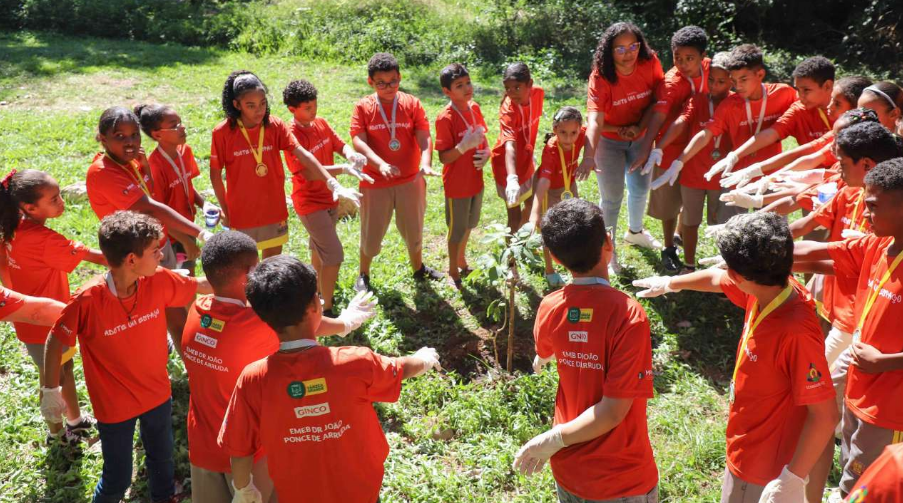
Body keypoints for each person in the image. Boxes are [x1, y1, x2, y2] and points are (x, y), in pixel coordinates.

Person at [634, 212, 838, 502]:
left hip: (763, 466)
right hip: (750, 439)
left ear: (740, 276)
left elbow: (826, 415)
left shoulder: (795, 332)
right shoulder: (769, 288)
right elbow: (716, 279)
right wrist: (671, 283)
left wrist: (791, 479)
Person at [217, 255, 441, 503]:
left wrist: (243, 489)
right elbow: (400, 368)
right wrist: (424, 358)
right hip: (360, 493)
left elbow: (239, 447)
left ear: (262, 315)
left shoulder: (252, 379)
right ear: (315, 304)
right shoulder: (354, 363)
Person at [181, 231, 377, 502]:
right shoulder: (252, 322)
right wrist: (347, 322)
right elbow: (300, 319)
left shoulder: (198, 309)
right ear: (247, 276)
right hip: (250, 454)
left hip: (202, 446)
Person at [41, 211, 213, 503]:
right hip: (114, 406)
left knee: (162, 459)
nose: (161, 255)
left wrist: (240, 282)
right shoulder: (88, 299)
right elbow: (55, 339)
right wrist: (50, 390)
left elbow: (199, 286)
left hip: (157, 394)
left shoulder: (157, 280)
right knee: (117, 479)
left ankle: (163, 498)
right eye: (155, 250)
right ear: (132, 259)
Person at [787, 121, 903, 503]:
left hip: (891, 409)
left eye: (873, 206)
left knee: (871, 489)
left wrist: (887, 361)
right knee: (851, 475)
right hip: (859, 391)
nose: (865, 214)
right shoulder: (878, 245)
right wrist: (761, 251)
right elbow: (819, 253)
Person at [515, 198, 658, 502]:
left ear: (554, 257)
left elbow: (546, 349)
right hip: (621, 479)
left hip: (569, 469)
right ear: (608, 242)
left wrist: (554, 440)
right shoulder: (628, 315)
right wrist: (554, 439)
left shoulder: (550, 306)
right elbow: (612, 412)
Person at [87, 106, 212, 341]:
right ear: (103, 139)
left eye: (134, 135)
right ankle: (192, 359)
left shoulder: (130, 162)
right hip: (134, 257)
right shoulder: (103, 171)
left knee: (174, 305)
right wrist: (201, 233)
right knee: (173, 314)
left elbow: (150, 193)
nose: (130, 142)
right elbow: (149, 206)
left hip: (154, 246)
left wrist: (144, 168)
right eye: (120, 136)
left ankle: (185, 352)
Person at [0, 169, 106, 444]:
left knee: (63, 370)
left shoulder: (13, 227)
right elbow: (97, 257)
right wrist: (133, 259)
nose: (62, 202)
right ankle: (57, 435)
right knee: (52, 379)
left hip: (33, 318)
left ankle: (74, 422)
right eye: (54, 199)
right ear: (30, 207)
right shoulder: (41, 239)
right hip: (43, 321)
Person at [210, 70, 361, 259]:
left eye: (263, 103)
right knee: (246, 266)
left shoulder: (275, 126)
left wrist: (332, 182)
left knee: (272, 264)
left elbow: (303, 154)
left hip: (273, 209)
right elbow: (215, 175)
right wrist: (226, 210)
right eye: (251, 105)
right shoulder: (222, 132)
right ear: (236, 104)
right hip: (241, 212)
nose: (259, 110)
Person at [349, 53, 443, 292]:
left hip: (410, 180)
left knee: (414, 230)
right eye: (381, 83)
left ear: (400, 77)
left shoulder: (412, 103)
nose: (389, 87)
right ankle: (363, 274)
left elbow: (424, 135)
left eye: (393, 81)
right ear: (371, 82)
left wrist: (426, 162)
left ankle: (418, 268)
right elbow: (358, 141)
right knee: (371, 235)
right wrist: (380, 164)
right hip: (375, 182)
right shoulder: (363, 107)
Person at [576, 22, 665, 273]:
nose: (628, 54)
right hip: (608, 141)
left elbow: (658, 100)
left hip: (641, 136)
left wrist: (639, 127)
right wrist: (589, 156)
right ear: (609, 51)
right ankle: (608, 250)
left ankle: (635, 232)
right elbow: (595, 120)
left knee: (640, 188)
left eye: (633, 46)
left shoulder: (650, 62)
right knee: (611, 198)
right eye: (620, 49)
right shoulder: (600, 76)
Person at [282, 78, 372, 315]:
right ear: (292, 109)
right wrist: (343, 169)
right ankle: (327, 309)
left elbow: (338, 144)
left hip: (329, 199)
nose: (314, 111)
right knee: (333, 255)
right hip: (309, 202)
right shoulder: (291, 136)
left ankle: (316, 294)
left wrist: (351, 155)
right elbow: (307, 172)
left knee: (319, 251)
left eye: (315, 105)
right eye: (307, 108)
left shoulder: (320, 123)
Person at [663, 44, 797, 192]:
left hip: (771, 175)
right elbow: (706, 134)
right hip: (736, 177)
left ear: (760, 74)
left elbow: (805, 110)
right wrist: (679, 162)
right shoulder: (729, 104)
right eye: (734, 81)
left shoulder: (784, 93)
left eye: (743, 80)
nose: (738, 87)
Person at [650, 51, 734, 273]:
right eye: (711, 80)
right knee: (689, 221)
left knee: (720, 223)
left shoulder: (736, 102)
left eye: (721, 82)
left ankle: (723, 267)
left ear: (732, 81)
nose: (714, 86)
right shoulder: (697, 100)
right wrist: (660, 147)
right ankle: (689, 265)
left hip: (720, 175)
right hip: (692, 174)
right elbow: (682, 121)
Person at [640, 25, 711, 272]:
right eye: (677, 57)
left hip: (700, 147)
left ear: (703, 56)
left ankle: (682, 234)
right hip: (669, 147)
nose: (682, 63)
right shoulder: (671, 82)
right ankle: (668, 246)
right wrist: (654, 148)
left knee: (691, 196)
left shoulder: (713, 70)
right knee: (668, 202)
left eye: (689, 58)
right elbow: (660, 114)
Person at [716, 56, 837, 189]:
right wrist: (735, 155)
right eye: (797, 90)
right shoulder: (799, 109)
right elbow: (771, 133)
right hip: (813, 181)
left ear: (827, 86)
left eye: (806, 90)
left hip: (844, 179)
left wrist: (763, 173)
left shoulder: (849, 109)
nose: (800, 95)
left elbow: (807, 151)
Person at [135, 103, 217, 273]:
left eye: (180, 122)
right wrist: (185, 241)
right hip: (171, 236)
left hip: (188, 227)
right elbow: (158, 213)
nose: (182, 127)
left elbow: (186, 183)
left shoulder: (185, 151)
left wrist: (204, 204)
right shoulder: (155, 167)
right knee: (177, 281)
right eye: (174, 126)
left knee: (190, 277)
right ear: (157, 134)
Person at [435, 63, 489, 288]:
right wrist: (462, 147)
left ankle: (461, 259)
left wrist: (487, 153)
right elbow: (444, 158)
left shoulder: (474, 107)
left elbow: (483, 135)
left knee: (470, 224)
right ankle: (452, 269)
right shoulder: (445, 118)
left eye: (468, 82)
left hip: (476, 179)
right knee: (456, 229)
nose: (467, 88)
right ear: (447, 91)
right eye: (459, 85)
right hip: (457, 184)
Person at [528, 107, 586, 287]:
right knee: (548, 228)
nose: (568, 138)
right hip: (549, 190)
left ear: (579, 129)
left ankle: (572, 263)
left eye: (573, 133)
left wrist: (589, 157)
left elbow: (594, 129)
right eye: (563, 133)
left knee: (573, 222)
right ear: (555, 129)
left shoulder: (581, 134)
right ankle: (549, 270)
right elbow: (544, 181)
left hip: (569, 185)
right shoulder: (551, 149)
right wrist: (535, 211)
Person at [490, 62, 544, 233]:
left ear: (530, 84)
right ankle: (512, 251)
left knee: (532, 206)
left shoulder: (538, 94)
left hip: (526, 160)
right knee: (514, 217)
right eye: (508, 88)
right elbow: (510, 147)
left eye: (517, 87)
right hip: (506, 166)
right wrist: (511, 178)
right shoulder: (508, 110)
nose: (511, 93)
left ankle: (523, 242)